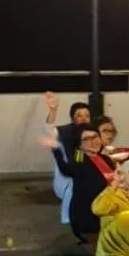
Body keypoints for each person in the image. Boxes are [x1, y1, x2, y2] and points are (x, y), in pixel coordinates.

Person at [43, 94, 90, 225]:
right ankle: (68, 217)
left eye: (87, 116)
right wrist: (53, 110)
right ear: (72, 118)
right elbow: (48, 130)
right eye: (79, 115)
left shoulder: (92, 133)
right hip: (66, 180)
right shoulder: (64, 132)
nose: (84, 119)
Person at [67, 126, 116, 245]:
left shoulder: (105, 159)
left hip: (109, 213)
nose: (93, 141)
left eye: (95, 136)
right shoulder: (80, 161)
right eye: (87, 139)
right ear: (79, 144)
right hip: (91, 219)